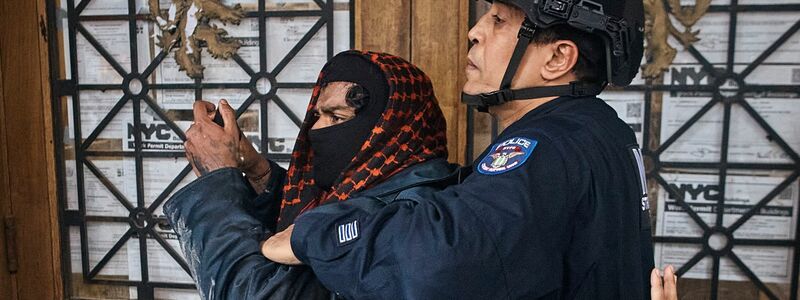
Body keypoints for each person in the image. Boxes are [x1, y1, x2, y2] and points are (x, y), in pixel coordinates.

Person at [262, 0, 657, 298]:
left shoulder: (546, 143)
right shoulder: (599, 130)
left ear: (557, 58)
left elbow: (439, 259)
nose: (475, 31)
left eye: (499, 20)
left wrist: (313, 235)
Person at [164, 50, 453, 299]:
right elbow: (303, 231)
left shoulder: (407, 220)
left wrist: (216, 177)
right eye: (318, 115)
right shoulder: (374, 184)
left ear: (391, 131)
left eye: (337, 118)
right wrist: (257, 172)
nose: (315, 130)